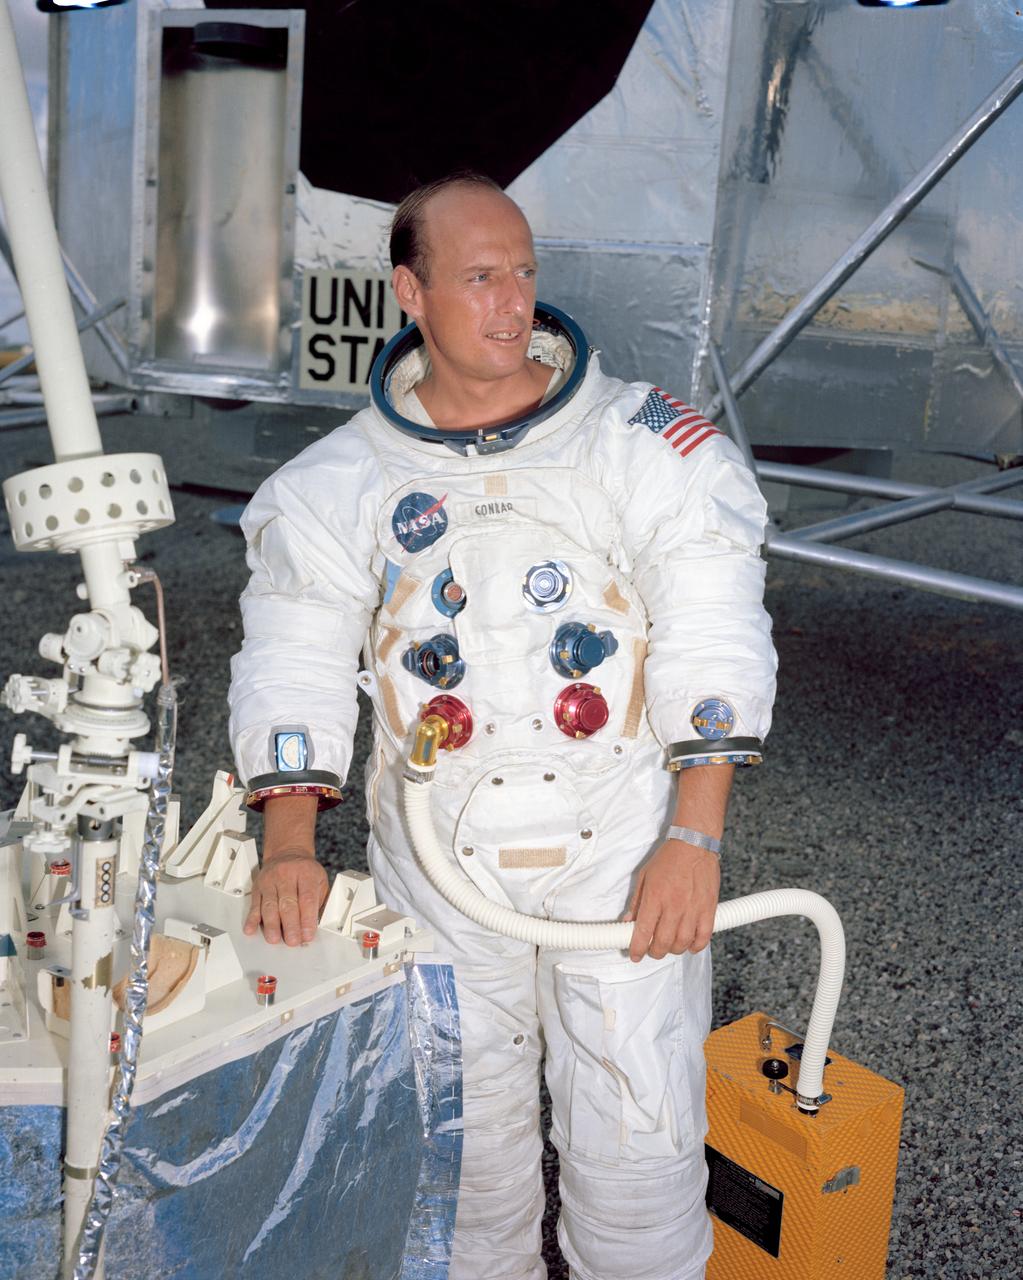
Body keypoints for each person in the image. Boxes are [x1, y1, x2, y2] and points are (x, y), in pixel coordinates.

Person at [228, 172, 776, 1280]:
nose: (513, 301)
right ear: (410, 292)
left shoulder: (640, 443)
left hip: (621, 853)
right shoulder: (336, 486)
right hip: (440, 863)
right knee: (464, 1160)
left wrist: (695, 835)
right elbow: (293, 659)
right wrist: (288, 846)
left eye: (523, 273)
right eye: (480, 277)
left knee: (640, 1144)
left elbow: (714, 630)